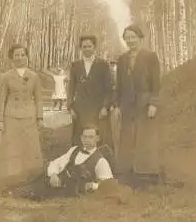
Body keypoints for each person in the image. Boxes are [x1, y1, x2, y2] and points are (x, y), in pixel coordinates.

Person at [113, 24, 162, 186]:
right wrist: (118, 106)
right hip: (127, 105)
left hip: (144, 103)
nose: (130, 41)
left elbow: (156, 83)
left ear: (140, 39)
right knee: (127, 137)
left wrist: (153, 103)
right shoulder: (122, 59)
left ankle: (148, 173)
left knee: (146, 137)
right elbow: (119, 85)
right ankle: (128, 172)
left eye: (133, 37)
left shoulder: (150, 57)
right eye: (127, 38)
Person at [0, 44, 45, 193]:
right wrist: (0, 120)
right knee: (11, 148)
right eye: (16, 55)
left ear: (27, 57)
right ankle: (11, 182)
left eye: (23, 55)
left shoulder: (34, 76)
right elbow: (2, 99)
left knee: (29, 147)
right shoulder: (6, 77)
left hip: (29, 116)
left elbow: (39, 99)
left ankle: (29, 181)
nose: (20, 58)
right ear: (11, 58)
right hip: (11, 116)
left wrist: (39, 117)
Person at [31, 125, 114, 199]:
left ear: (97, 138)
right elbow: (57, 162)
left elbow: (109, 184)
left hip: (74, 193)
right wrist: (53, 174)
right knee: (32, 188)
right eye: (85, 137)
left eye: (91, 137)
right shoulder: (74, 150)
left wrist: (93, 185)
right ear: (81, 138)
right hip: (58, 185)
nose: (87, 140)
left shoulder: (101, 161)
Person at [67, 35, 113, 148]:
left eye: (89, 46)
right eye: (84, 46)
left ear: (94, 47)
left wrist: (105, 107)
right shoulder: (75, 65)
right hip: (80, 110)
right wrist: (70, 107)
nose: (87, 49)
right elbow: (71, 88)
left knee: (100, 138)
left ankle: (101, 164)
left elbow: (109, 88)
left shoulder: (103, 64)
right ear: (81, 48)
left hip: (98, 110)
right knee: (80, 139)